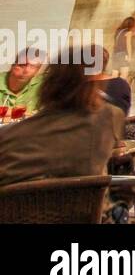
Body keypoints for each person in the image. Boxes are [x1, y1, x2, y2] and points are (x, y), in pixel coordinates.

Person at [0, 46, 124, 186]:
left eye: (33, 67)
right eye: (22, 64)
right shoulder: (110, 117)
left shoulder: (8, 136)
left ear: (47, 82)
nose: (26, 70)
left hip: (19, 206)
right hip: (87, 206)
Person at [0, 47, 45, 114]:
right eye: (23, 65)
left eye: (33, 67)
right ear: (13, 65)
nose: (26, 70)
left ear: (37, 71)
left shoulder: (42, 86)